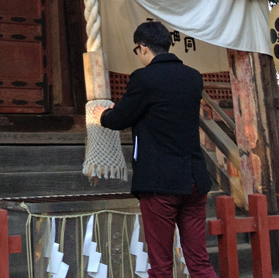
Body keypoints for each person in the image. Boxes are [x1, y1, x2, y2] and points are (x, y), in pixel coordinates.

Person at [92, 21, 217, 278]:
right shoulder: (193, 77)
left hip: (160, 181)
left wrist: (101, 114)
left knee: (161, 265)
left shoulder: (144, 78)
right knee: (199, 261)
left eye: (137, 50)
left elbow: (120, 119)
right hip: (194, 178)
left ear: (143, 47)